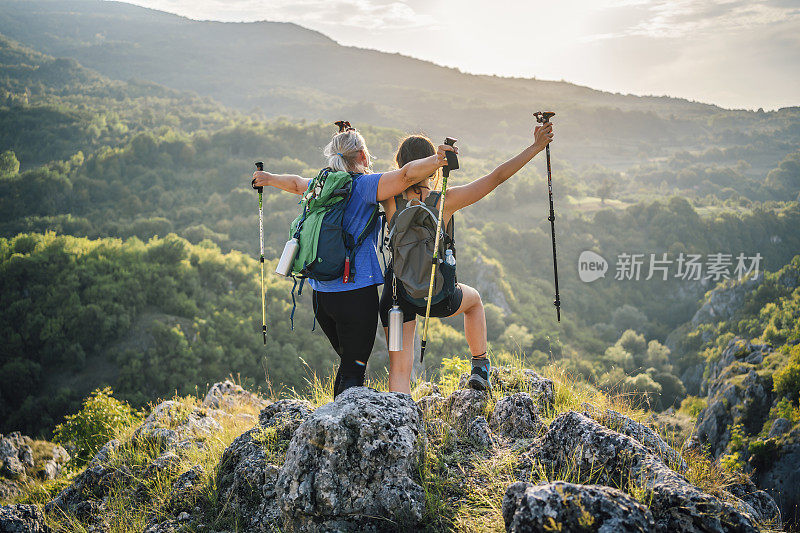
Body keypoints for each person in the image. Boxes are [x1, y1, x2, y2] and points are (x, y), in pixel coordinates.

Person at [252, 126, 456, 398]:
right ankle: (344, 428)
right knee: (353, 369)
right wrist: (437, 160)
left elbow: (296, 184)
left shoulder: (324, 184)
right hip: (355, 295)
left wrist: (267, 178)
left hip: (321, 297)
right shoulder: (364, 186)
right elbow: (406, 175)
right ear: (361, 154)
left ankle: (343, 413)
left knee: (348, 360)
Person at [378, 123, 554, 394]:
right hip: (438, 295)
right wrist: (535, 147)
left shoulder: (388, 198)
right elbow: (496, 177)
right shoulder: (446, 200)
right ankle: (480, 367)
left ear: (400, 165)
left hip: (397, 294)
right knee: (474, 303)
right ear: (434, 168)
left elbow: (358, 180)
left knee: (400, 370)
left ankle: (400, 425)